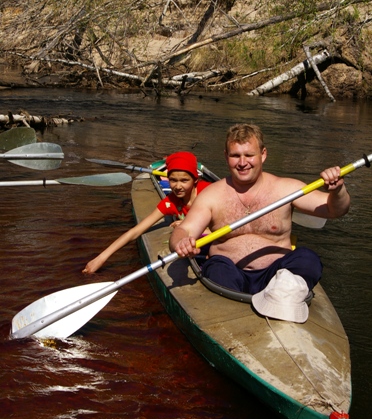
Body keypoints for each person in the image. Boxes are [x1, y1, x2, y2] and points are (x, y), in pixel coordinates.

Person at [169, 123, 350, 297]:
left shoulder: (286, 189)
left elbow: (334, 210)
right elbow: (184, 229)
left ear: (263, 155)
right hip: (229, 273)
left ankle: (282, 296)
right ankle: (233, 304)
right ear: (226, 156)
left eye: (249, 155)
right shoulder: (212, 195)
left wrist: (338, 190)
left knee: (307, 259)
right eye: (235, 155)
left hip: (276, 275)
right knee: (217, 269)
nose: (242, 162)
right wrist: (181, 243)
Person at [83, 151, 211, 274]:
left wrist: (189, 225)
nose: (178, 186)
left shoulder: (209, 192)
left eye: (184, 181)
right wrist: (101, 258)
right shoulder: (171, 202)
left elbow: (223, 226)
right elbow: (135, 231)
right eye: (173, 180)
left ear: (195, 180)